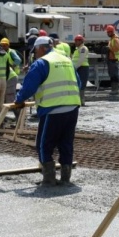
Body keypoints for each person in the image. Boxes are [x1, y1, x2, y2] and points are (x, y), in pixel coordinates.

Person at [14, 36, 82, 186]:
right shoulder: (67, 60)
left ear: (42, 48)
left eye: (36, 50)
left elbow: (29, 87)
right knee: (66, 143)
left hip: (53, 109)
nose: (35, 54)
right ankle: (65, 178)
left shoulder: (42, 63)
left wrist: (19, 100)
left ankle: (49, 179)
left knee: (44, 144)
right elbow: (79, 83)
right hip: (72, 108)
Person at [0, 38, 22, 119]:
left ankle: (19, 118)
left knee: (10, 98)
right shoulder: (1, 53)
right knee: (5, 98)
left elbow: (18, 60)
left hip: (12, 76)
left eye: (5, 45)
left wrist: (12, 65)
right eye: (2, 45)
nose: (3, 47)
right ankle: (3, 119)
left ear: (8, 45)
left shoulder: (11, 52)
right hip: (8, 77)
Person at [105, 24, 119, 95]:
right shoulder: (112, 39)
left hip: (113, 59)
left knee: (114, 75)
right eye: (107, 32)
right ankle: (114, 89)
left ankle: (115, 90)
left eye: (109, 32)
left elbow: (117, 49)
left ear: (112, 32)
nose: (108, 33)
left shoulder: (115, 39)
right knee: (112, 75)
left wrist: (109, 48)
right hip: (111, 59)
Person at [72, 34, 89, 106]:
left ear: (81, 41)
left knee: (81, 85)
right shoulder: (78, 49)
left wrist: (75, 67)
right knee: (77, 84)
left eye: (77, 41)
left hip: (82, 68)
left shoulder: (83, 48)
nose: (75, 42)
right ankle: (78, 100)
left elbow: (81, 60)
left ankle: (82, 101)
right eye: (75, 41)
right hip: (78, 68)